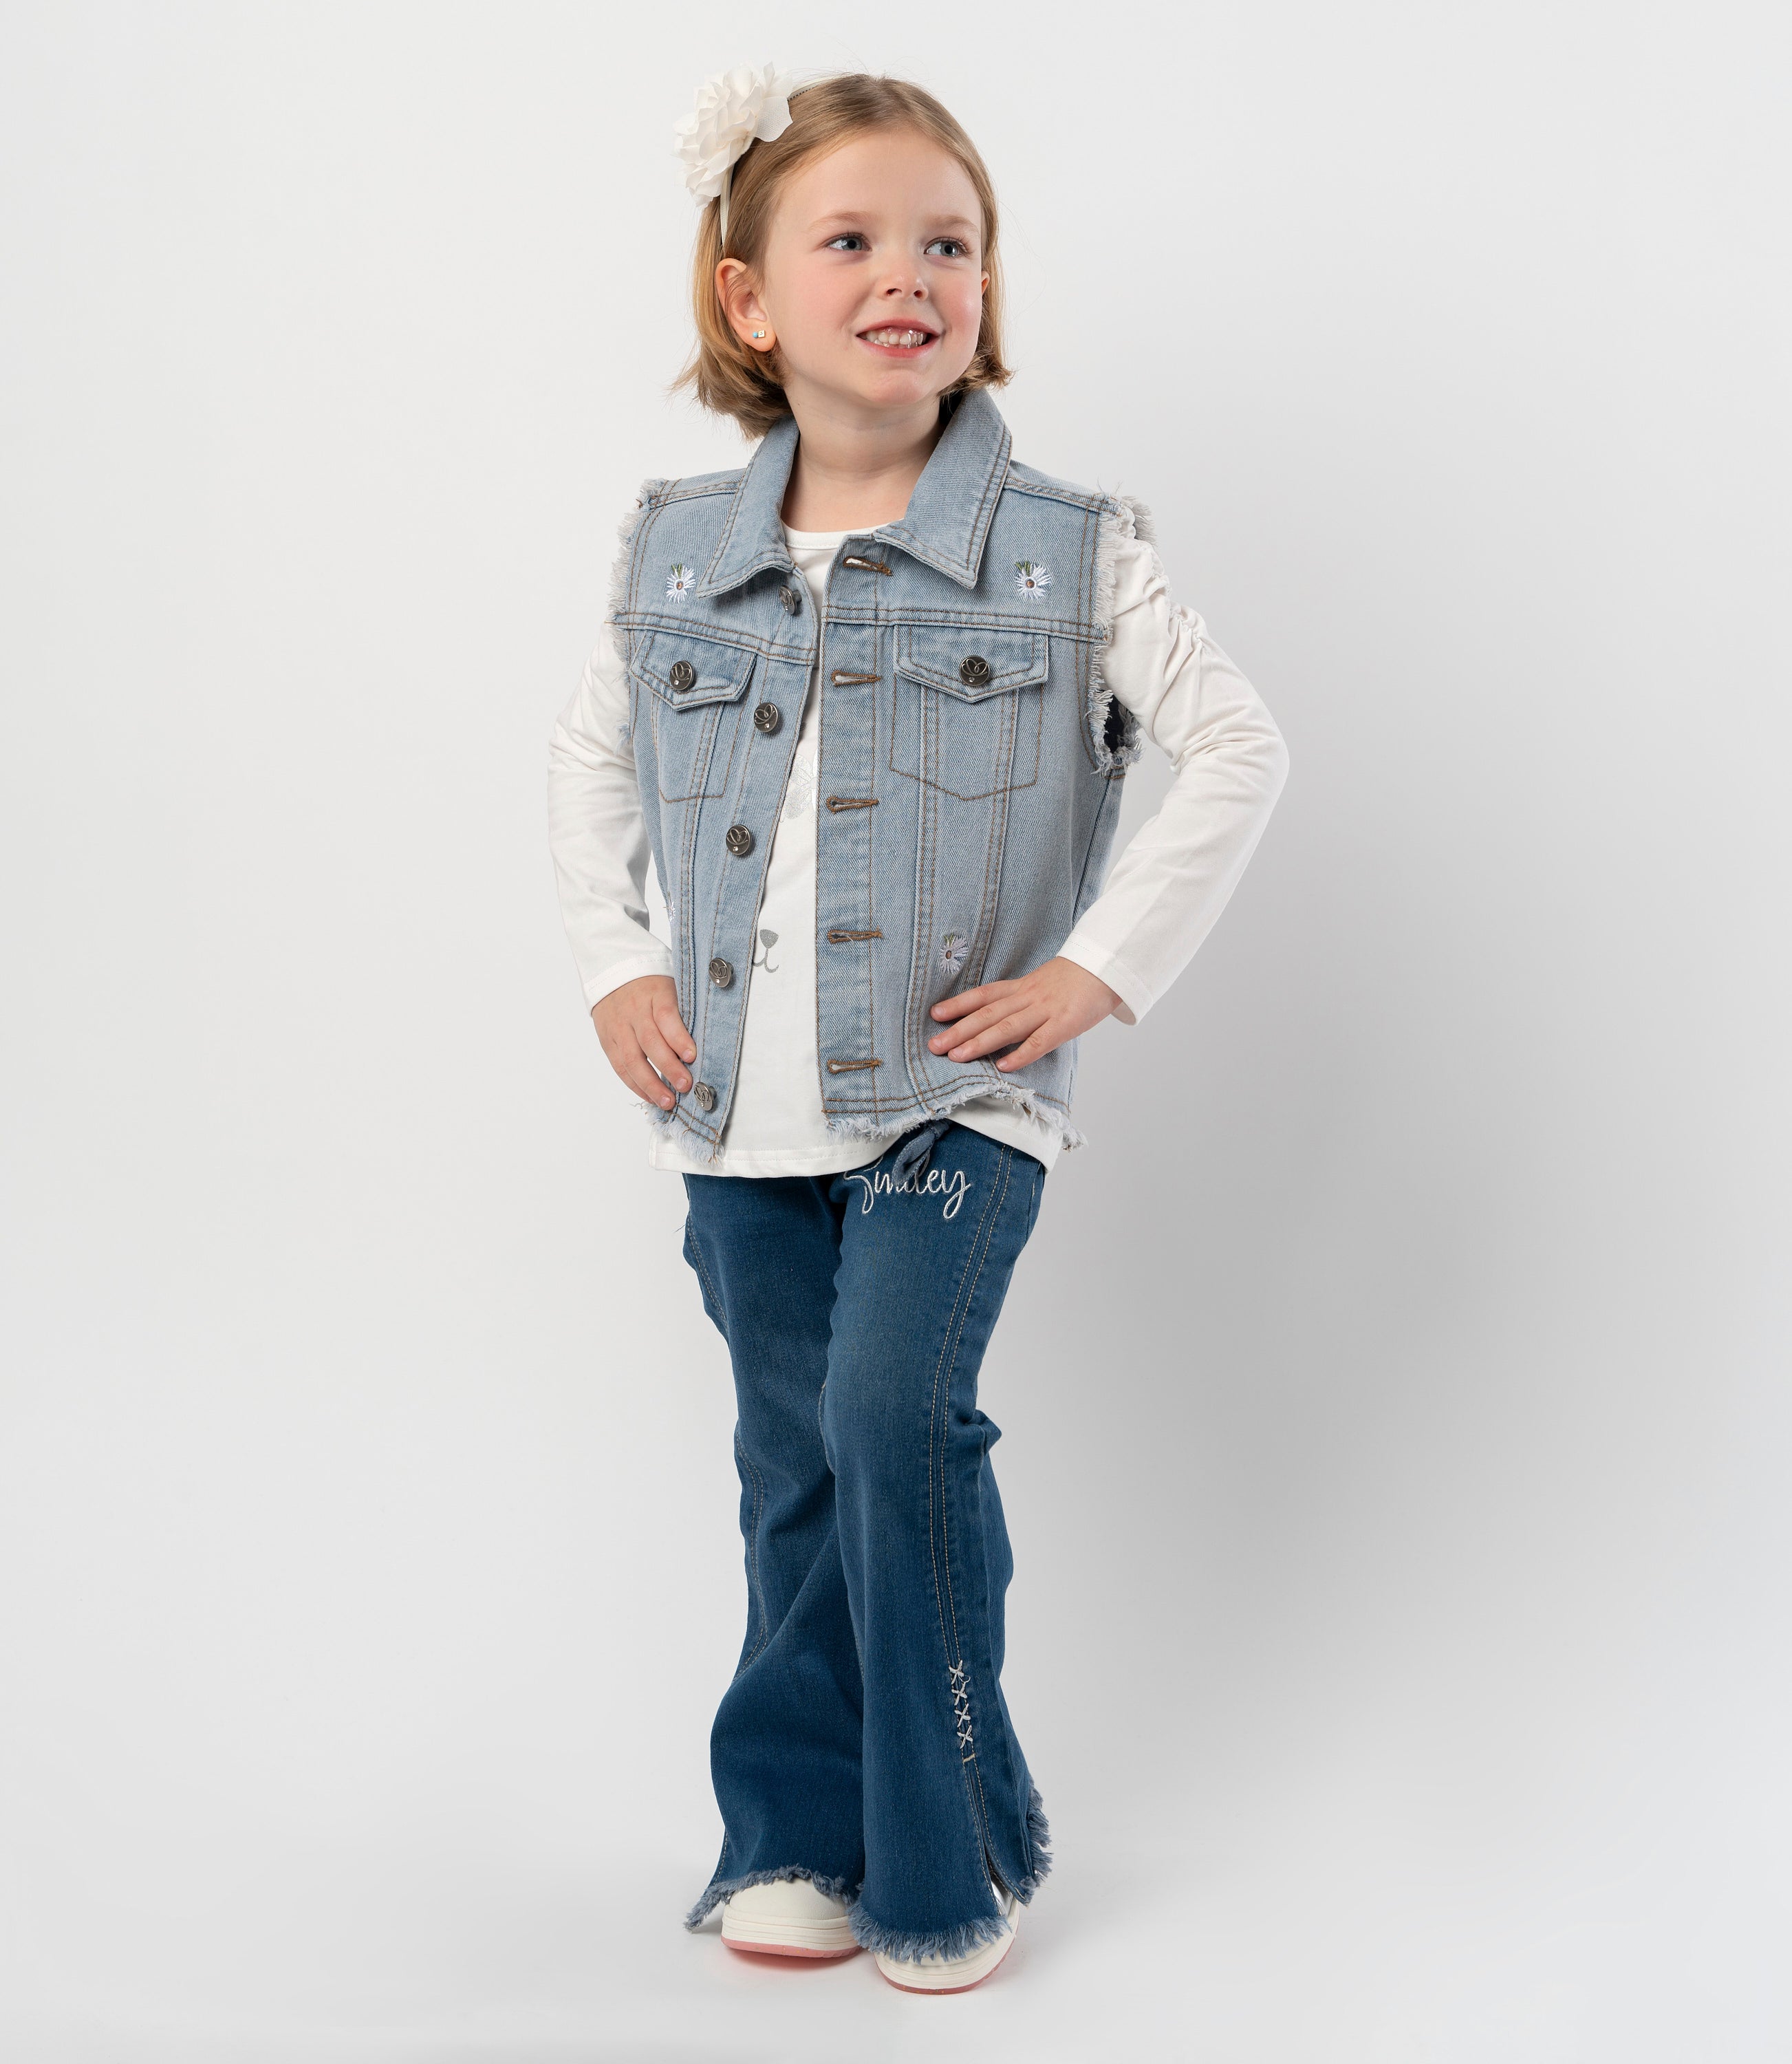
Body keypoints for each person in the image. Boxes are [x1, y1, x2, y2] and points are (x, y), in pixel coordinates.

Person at [546, 64, 1291, 1994]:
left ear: (987, 286)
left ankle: (959, 1847)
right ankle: (797, 1835)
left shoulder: (1067, 551)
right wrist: (619, 965)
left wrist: (1095, 973)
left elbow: (1234, 747)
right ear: (748, 298)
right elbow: (588, 765)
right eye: (854, 241)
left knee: (892, 1417)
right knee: (794, 1458)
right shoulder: (672, 552)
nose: (910, 277)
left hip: (957, 1096)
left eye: (949, 244)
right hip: (735, 1103)